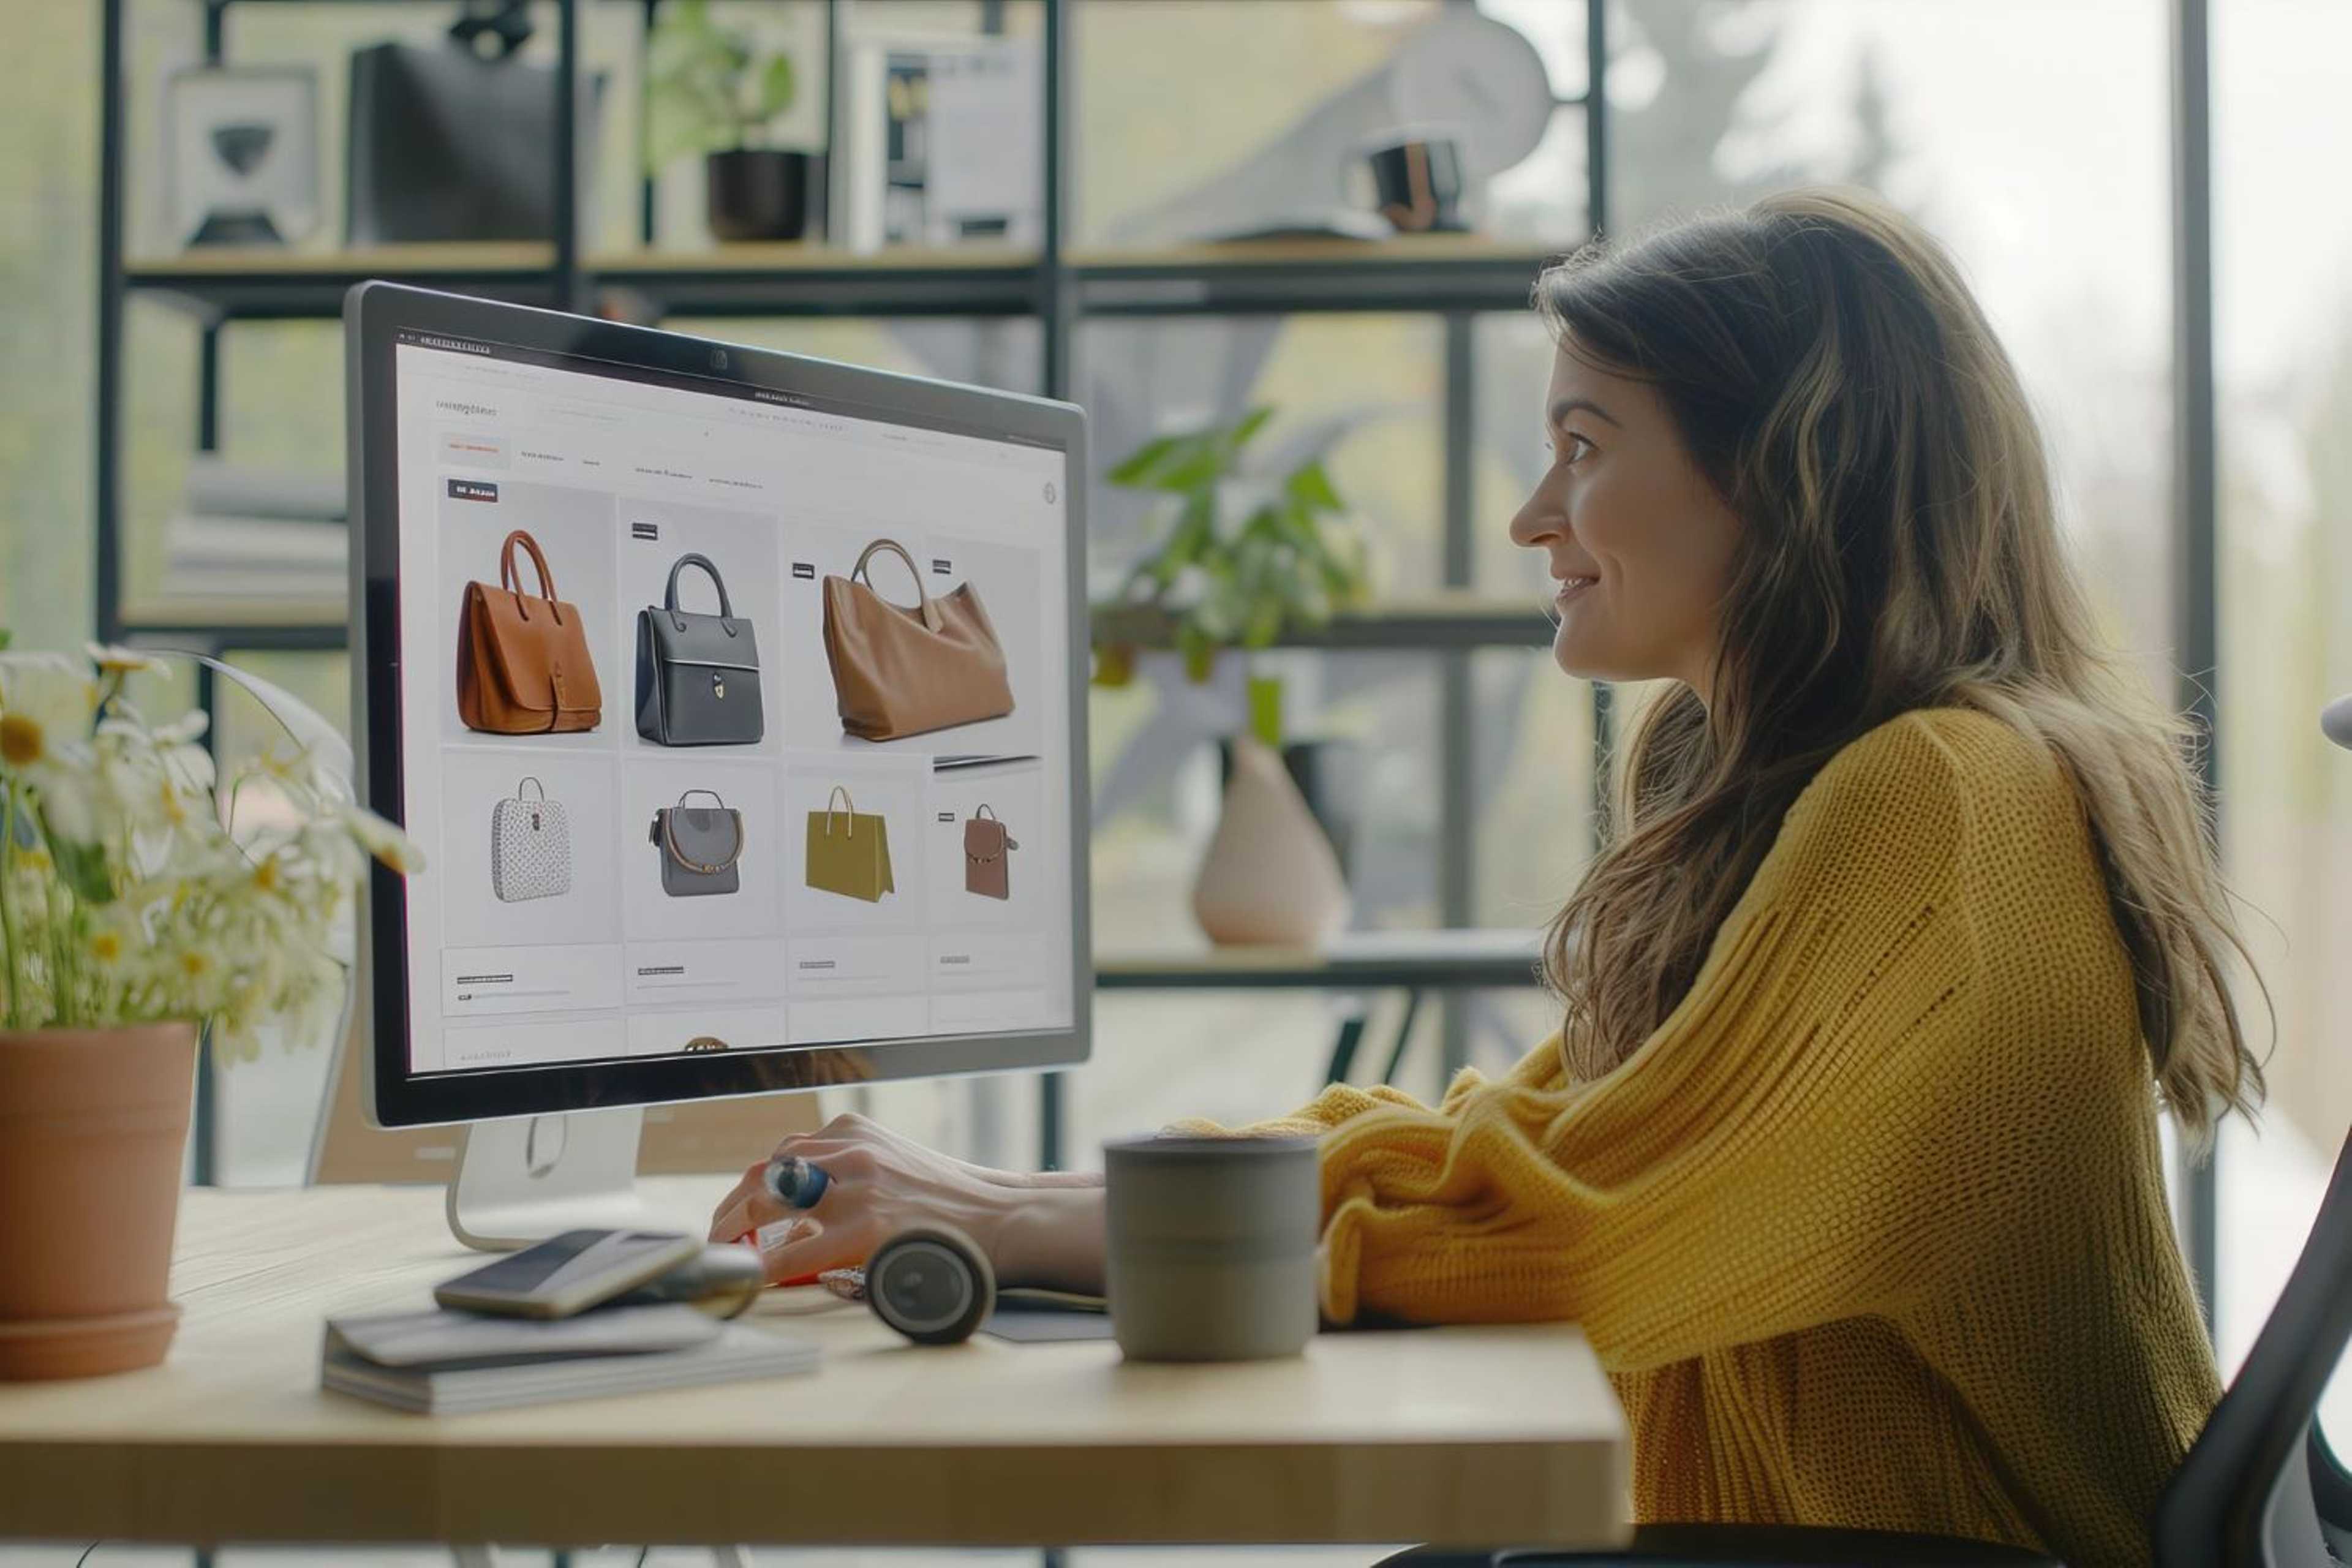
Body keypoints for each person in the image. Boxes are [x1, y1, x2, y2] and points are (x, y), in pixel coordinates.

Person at [709, 184, 2266, 1568]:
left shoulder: (1942, 800)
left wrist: (1032, 1221)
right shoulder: (1791, 786)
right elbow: (1526, 1139)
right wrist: (1046, 1197)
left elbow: (1582, 1236)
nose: (1533, 515)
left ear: (1790, 475)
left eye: (1583, 448)